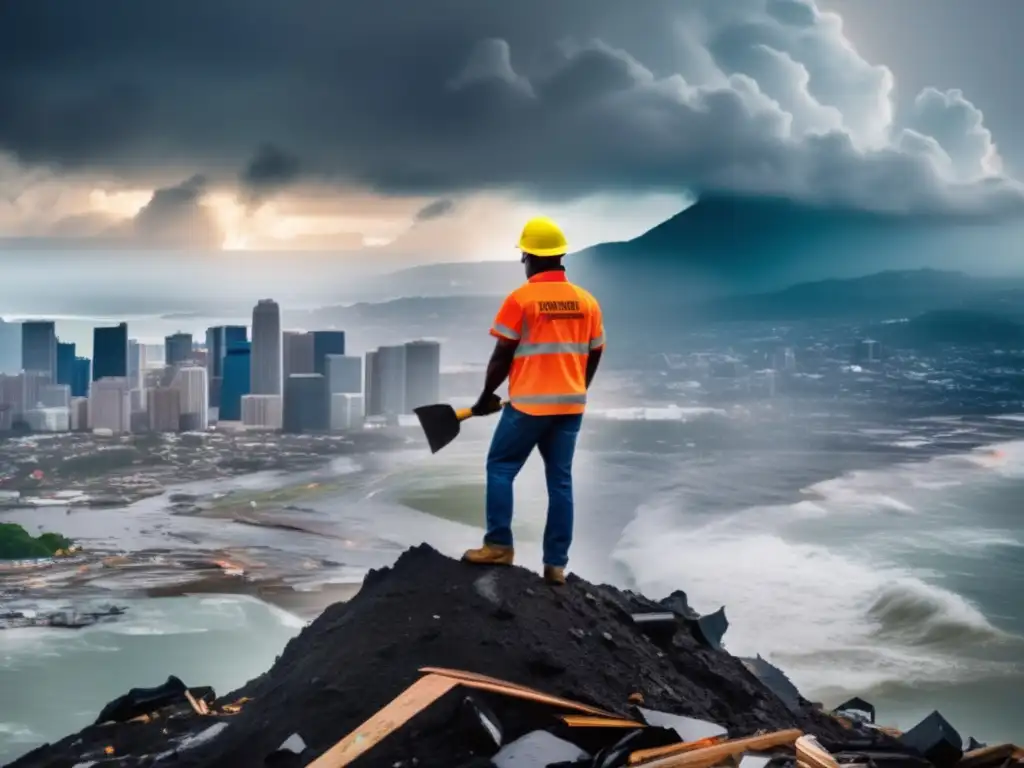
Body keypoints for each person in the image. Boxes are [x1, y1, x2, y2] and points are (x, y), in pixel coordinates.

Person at [462, 216, 605, 585]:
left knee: (500, 467)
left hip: (528, 407)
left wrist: (484, 397)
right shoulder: (586, 301)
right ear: (560, 258)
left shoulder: (522, 299)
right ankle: (555, 565)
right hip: (570, 406)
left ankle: (498, 547)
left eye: (524, 256)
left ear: (530, 256)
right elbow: (595, 351)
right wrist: (578, 385)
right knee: (560, 482)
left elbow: (501, 355)